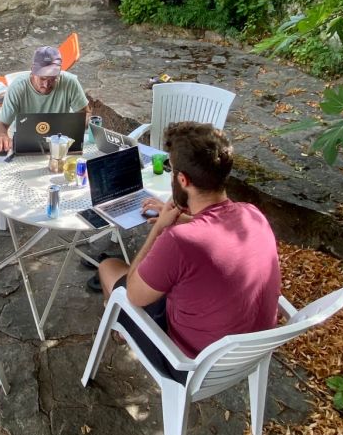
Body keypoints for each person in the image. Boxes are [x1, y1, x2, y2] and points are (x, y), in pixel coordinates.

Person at [93, 122, 281, 370]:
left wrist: (159, 229)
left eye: (172, 171)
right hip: (250, 353)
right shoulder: (252, 214)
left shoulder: (180, 241)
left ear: (182, 179)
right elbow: (215, 230)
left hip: (190, 364)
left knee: (108, 267)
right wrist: (183, 219)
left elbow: (134, 295)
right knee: (170, 281)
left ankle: (120, 327)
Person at [0, 45, 89, 154]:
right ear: (32, 72)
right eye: (42, 78)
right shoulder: (17, 88)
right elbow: (1, 125)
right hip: (27, 145)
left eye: (53, 79)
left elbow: (85, 112)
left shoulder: (70, 82)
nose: (46, 84)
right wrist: (2, 136)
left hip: (61, 143)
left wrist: (82, 122)